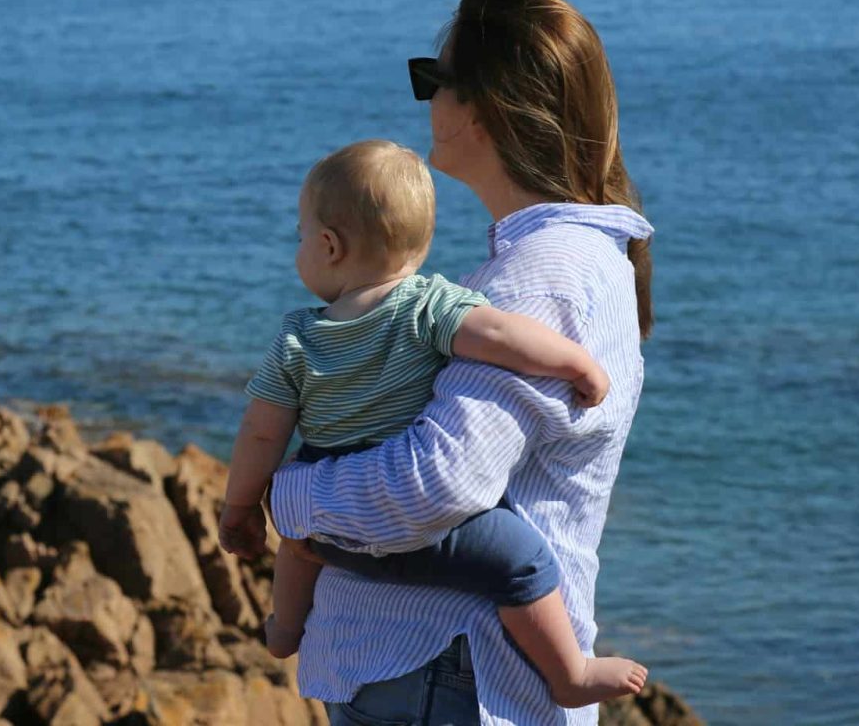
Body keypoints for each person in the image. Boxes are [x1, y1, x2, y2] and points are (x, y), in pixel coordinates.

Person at [267, 0, 655, 726]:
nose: (426, 104)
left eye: (432, 80)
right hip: (444, 675)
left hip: (441, 672)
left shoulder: (541, 276)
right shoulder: (571, 261)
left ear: (485, 106)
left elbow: (437, 484)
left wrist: (290, 499)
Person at [218, 139, 647, 707]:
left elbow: (262, 434)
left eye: (301, 236)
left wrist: (241, 507)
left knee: (298, 547)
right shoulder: (429, 306)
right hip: (430, 538)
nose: (299, 247)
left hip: (337, 516)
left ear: (328, 245)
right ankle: (568, 672)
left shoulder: (298, 339)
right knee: (523, 562)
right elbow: (500, 337)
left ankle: (284, 631)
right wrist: (573, 362)